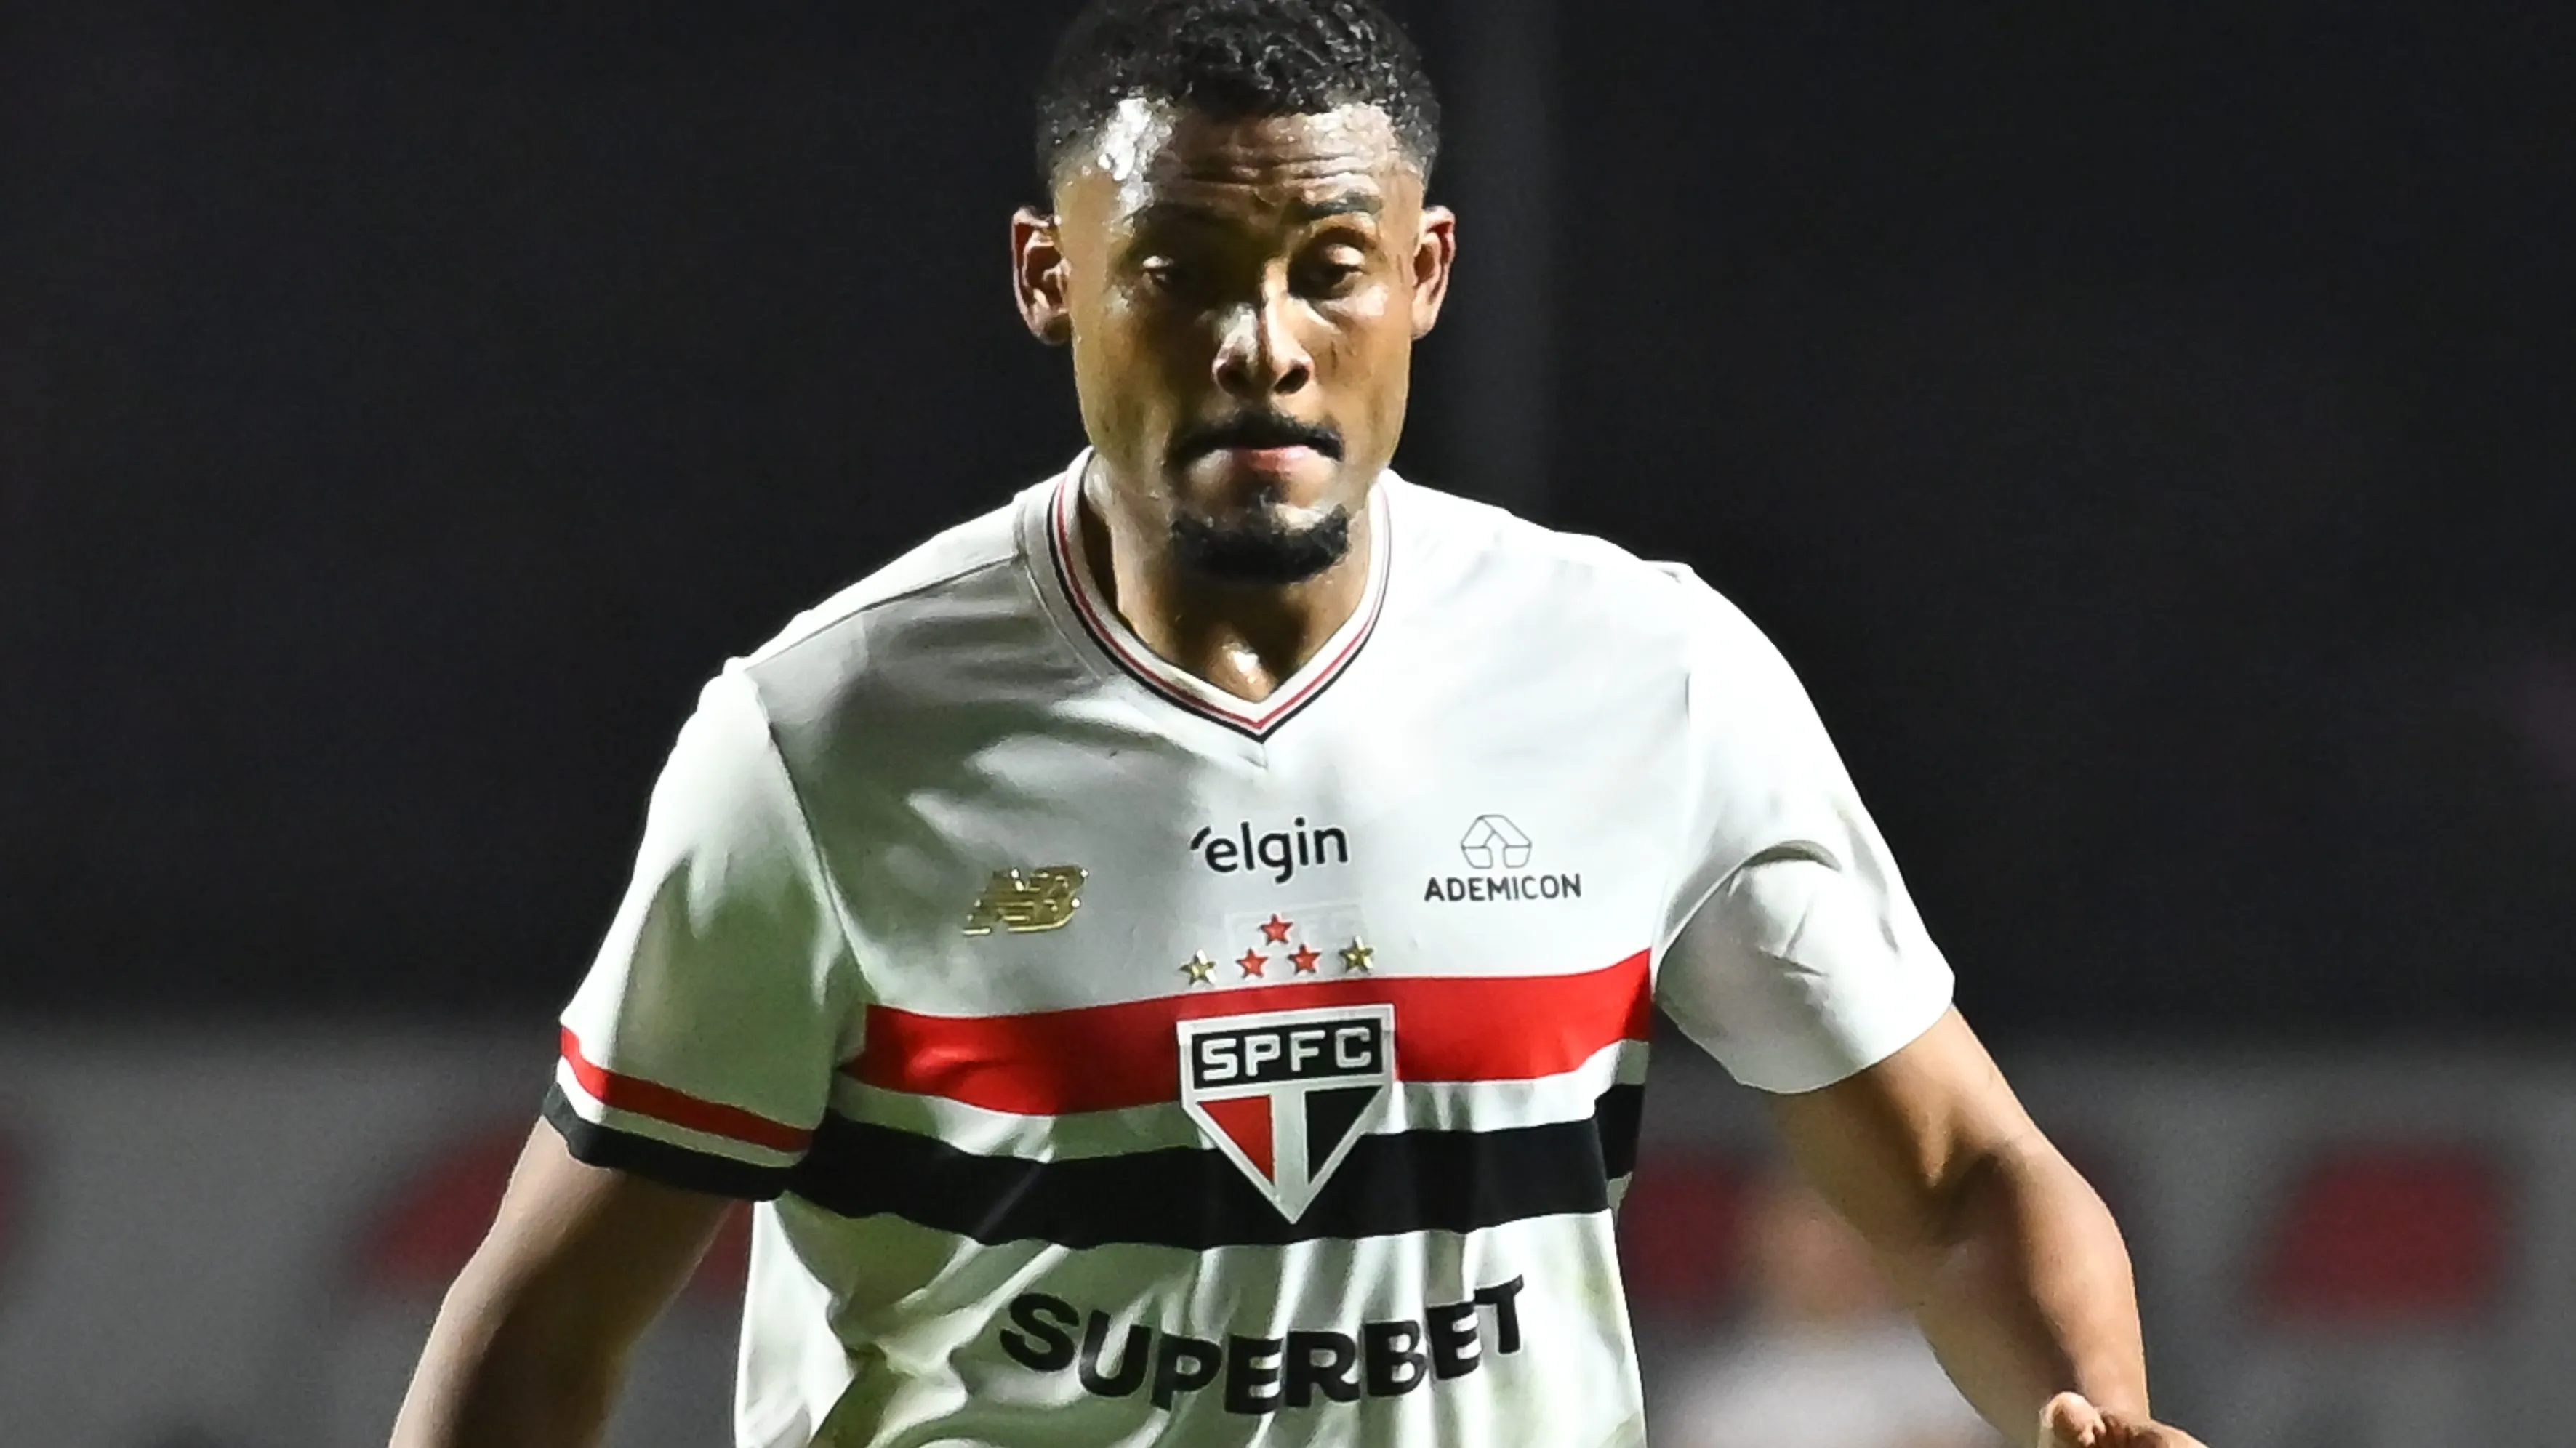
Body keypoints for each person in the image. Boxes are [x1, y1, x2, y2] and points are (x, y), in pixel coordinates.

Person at [391, 2, 2206, 1445]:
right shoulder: (827, 739)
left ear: (1422, 276)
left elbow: (1962, 1178)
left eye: (1329, 264)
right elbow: (548, 1326)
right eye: (1180, 268)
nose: (1263, 338)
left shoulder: (1649, 678)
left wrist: (2100, 1416)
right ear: (1052, 281)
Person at [1658, 1172, 1999, 1448]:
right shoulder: (1719, 1400)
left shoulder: (1949, 1376)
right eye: (1807, 1238)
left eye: (1842, 1235)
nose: (1830, 1258)